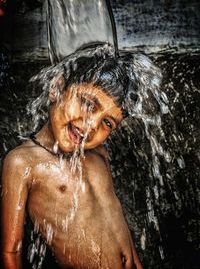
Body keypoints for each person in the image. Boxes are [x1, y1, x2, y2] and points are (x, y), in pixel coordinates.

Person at [0, 44, 146, 269]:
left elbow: (116, 225)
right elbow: (11, 250)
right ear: (57, 87)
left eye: (107, 123)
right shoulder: (23, 163)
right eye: (88, 104)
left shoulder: (99, 154)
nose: (91, 126)